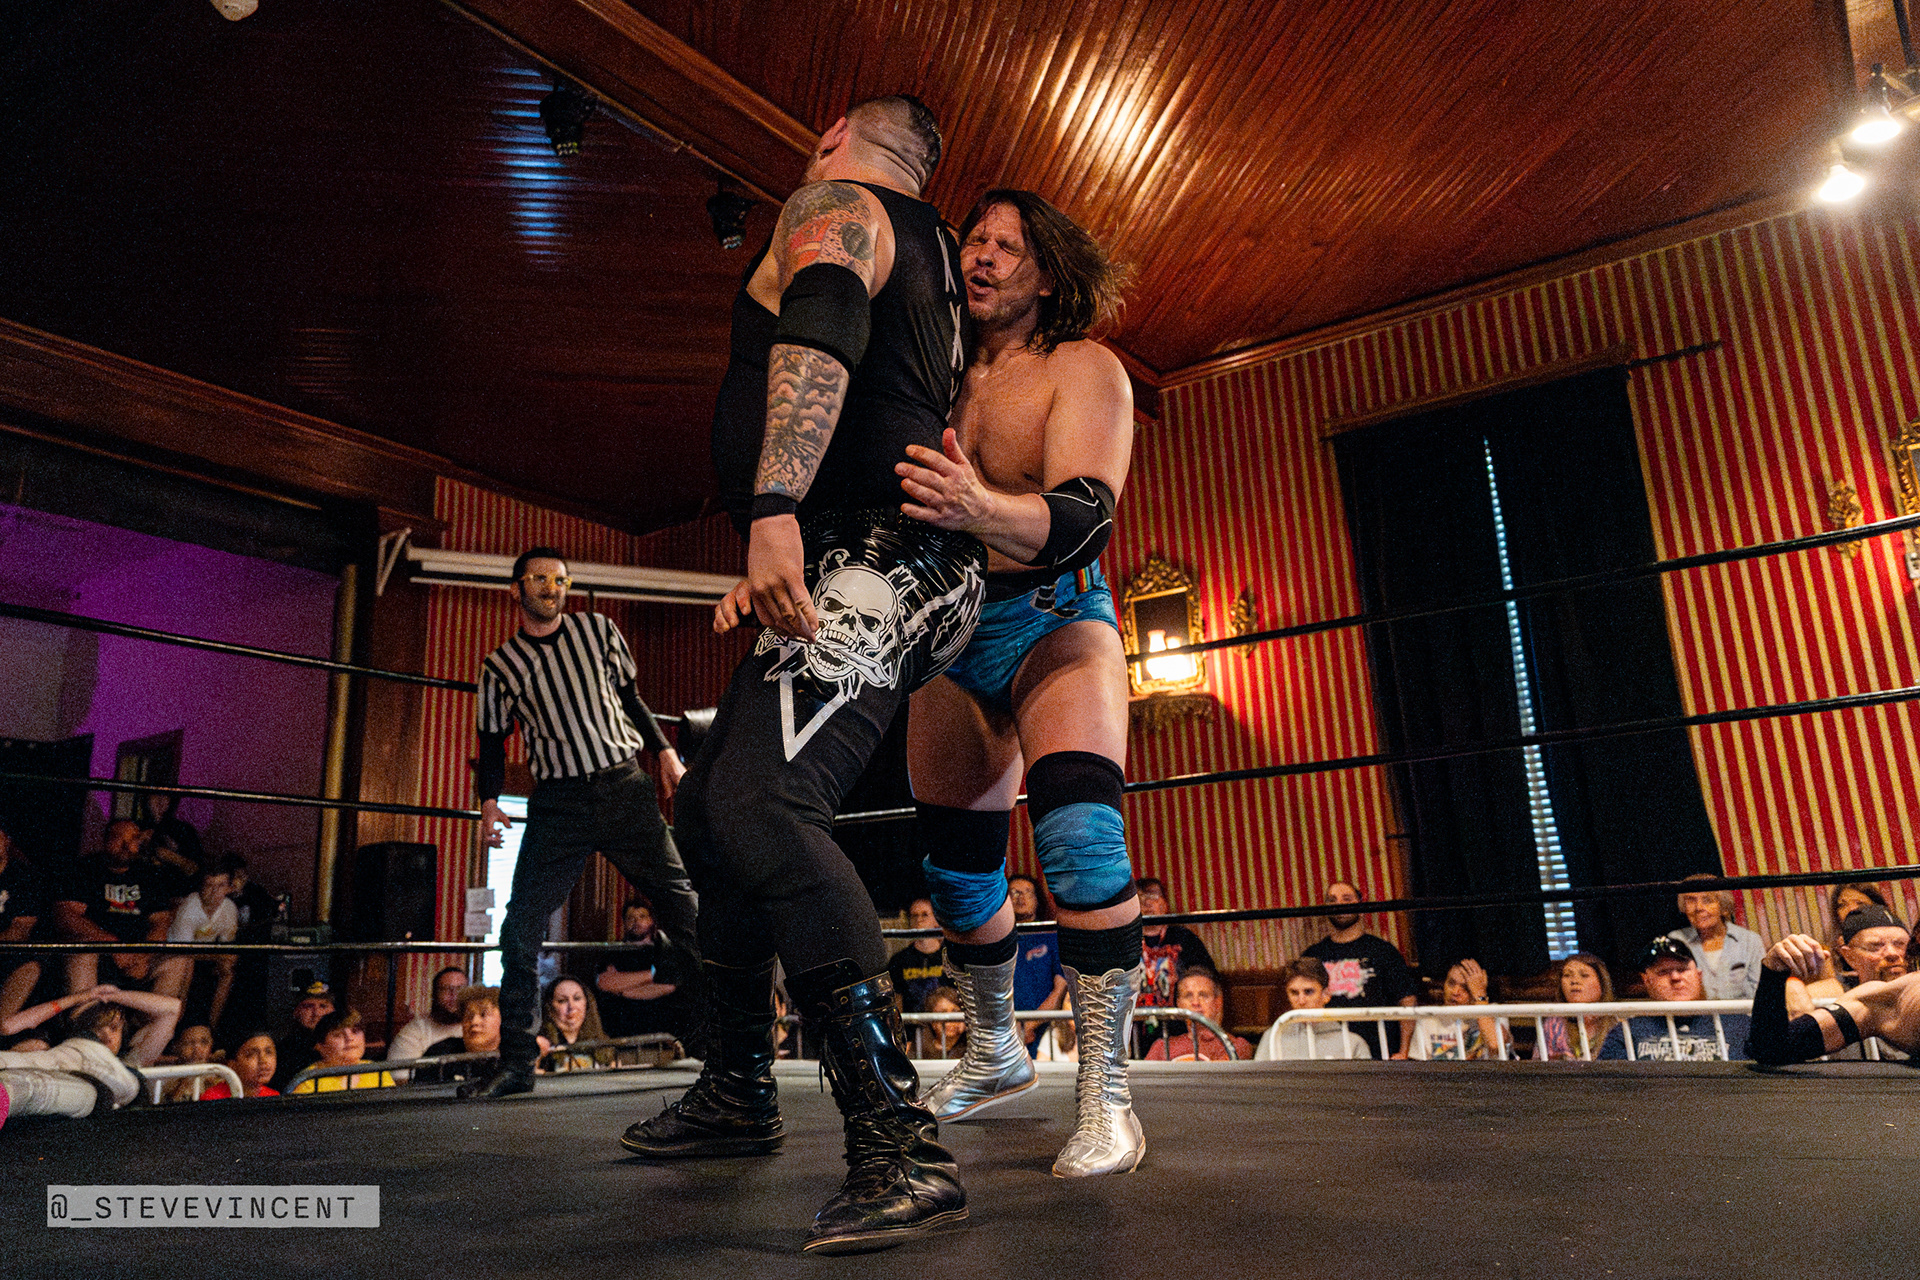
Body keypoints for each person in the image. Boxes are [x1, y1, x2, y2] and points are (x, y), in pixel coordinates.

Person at [621, 95, 979, 1253]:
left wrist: (771, 506)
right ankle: (737, 1086)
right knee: (713, 804)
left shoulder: (839, 202)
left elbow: (821, 322)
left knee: (766, 801)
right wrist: (793, 534)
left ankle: (901, 1143)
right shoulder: (931, 250)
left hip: (878, 553)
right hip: (862, 552)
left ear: (834, 130)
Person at [887, 188, 1142, 1178]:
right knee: (956, 878)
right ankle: (995, 1049)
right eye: (975, 241)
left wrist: (978, 504)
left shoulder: (1084, 367)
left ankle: (1108, 1097)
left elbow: (1084, 516)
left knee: (1079, 840)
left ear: (1048, 271)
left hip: (1054, 617)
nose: (982, 256)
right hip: (953, 626)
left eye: (1008, 244)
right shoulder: (936, 373)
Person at [465, 545, 699, 1101]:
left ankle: (727, 1040)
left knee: (687, 906)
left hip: (623, 787)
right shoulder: (500, 666)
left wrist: (666, 752)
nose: (552, 588)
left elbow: (632, 699)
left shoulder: (599, 630)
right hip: (559, 802)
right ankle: (517, 1062)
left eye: (561, 580)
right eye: (540, 579)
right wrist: (489, 802)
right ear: (517, 589)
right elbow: (492, 742)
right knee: (519, 928)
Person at [53, 820, 176, 1037]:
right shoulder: (84, 869)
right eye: (120, 838)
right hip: (99, 952)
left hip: (137, 956)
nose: (127, 846)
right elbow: (66, 915)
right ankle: (85, 1034)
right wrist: (113, 945)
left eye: (133, 839)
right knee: (83, 953)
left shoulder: (150, 875)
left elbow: (161, 921)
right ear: (105, 840)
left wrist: (144, 954)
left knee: (179, 960)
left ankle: (147, 1037)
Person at [1748, 932, 1920, 1065]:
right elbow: (1771, 1048)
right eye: (1875, 946)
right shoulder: (1882, 999)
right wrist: (1773, 974)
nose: (1892, 954)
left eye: (1899, 944)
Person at [1302, 881, 1418, 1059]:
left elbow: (1407, 1001)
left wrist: (1404, 1052)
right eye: (1332, 900)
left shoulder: (1383, 951)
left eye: (1346, 899)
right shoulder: (1312, 955)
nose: (1339, 904)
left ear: (1361, 906)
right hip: (1328, 1055)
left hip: (1379, 1054)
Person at [1596, 937, 1749, 1061]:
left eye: (1682, 969)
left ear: (1698, 975)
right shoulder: (1628, 1031)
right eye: (1663, 972)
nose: (1675, 977)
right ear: (1647, 981)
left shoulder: (1739, 1024)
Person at [153, 861, 239, 1034]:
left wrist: (223, 958)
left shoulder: (229, 909)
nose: (214, 892)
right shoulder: (189, 907)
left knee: (228, 968)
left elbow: (225, 945)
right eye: (209, 885)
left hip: (204, 957)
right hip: (174, 955)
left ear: (229, 888)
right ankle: (175, 1023)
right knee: (187, 964)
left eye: (220, 886)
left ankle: (212, 1027)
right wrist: (218, 956)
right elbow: (183, 950)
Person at [595, 897, 694, 1045]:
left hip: (661, 1032)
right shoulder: (614, 951)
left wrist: (622, 990)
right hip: (620, 1032)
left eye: (642, 916)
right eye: (630, 918)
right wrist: (653, 974)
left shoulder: (664, 950)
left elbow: (668, 985)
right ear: (624, 922)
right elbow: (604, 982)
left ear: (652, 920)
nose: (636, 921)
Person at [1666, 873, 1764, 999]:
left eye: (1707, 900)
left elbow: (1762, 991)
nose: (1698, 907)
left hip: (1743, 1011)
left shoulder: (1750, 941)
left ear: (1723, 907)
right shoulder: (1677, 940)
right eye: (1691, 900)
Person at [1253, 958, 1373, 1061]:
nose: (1301, 1000)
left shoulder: (1353, 1042)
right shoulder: (1273, 1036)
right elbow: (1260, 1079)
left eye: (1308, 992)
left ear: (1326, 995)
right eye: (1294, 992)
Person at [1006, 876, 1068, 1054]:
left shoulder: (1051, 936)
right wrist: (1010, 1030)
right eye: (1014, 892)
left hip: (1044, 1033)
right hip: (1005, 1033)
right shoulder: (997, 940)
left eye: (1028, 892)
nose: (1021, 897)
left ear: (1037, 899)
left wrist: (1027, 1026)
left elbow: (1060, 990)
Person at [1406, 960, 1508, 1061]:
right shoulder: (1428, 1019)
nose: (1455, 992)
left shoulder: (1494, 1013)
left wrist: (1480, 996)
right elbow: (1418, 1067)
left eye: (1466, 987)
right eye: (1451, 983)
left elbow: (1495, 1045)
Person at [0, 819, 48, 1029]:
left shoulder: (23, 877)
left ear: (6, 840)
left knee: (29, 967)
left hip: (8, 953)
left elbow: (20, 929)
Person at [1145, 968, 1252, 1061]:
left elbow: (1217, 1074)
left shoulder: (1235, 1045)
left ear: (1218, 1002)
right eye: (1188, 996)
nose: (1195, 1002)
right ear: (1179, 1003)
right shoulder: (1161, 1046)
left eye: (1203, 995)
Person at [386, 965, 469, 1074]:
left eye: (460, 989)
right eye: (446, 989)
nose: (454, 995)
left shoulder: (477, 1028)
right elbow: (400, 1078)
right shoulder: (413, 1033)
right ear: (434, 994)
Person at [287, 1009, 396, 1093]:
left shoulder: (377, 1072)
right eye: (337, 1035)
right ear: (320, 1045)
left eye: (355, 1031)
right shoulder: (309, 1080)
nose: (349, 1038)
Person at [1535, 952, 1617, 1061]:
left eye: (1584, 975)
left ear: (1602, 983)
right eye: (1567, 975)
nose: (1574, 981)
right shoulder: (1553, 1025)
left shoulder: (1618, 1023)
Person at [418, 985, 502, 1084]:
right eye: (469, 1016)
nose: (474, 1022)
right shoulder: (439, 1053)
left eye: (483, 1015)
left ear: (503, 1019)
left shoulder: (513, 1058)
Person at [270, 981, 334, 1090]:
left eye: (323, 1006)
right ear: (296, 1011)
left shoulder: (346, 1043)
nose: (317, 1013)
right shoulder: (284, 1050)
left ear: (333, 1010)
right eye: (308, 1006)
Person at [538, 976, 611, 1071]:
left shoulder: (604, 1045)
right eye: (562, 1001)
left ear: (587, 1004)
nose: (571, 1006)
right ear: (550, 1008)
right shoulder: (540, 1047)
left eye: (577, 998)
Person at [887, 898, 946, 1013]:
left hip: (945, 1022)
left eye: (924, 915)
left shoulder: (949, 956)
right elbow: (897, 999)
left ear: (936, 920)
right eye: (914, 916)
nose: (919, 920)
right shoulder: (899, 960)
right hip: (912, 1021)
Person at [198, 1031, 278, 1099]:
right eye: (251, 1054)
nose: (263, 1060)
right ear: (232, 1065)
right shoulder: (213, 1098)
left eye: (269, 1052)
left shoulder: (273, 1097)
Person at [159, 1024, 216, 1103]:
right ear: (176, 1047)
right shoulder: (167, 1077)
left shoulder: (220, 1073)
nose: (197, 1049)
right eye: (188, 1043)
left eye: (204, 1042)